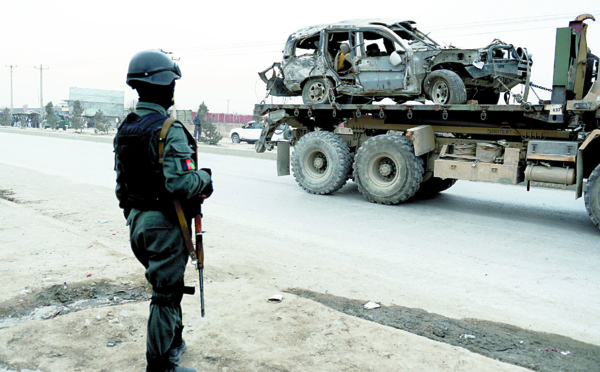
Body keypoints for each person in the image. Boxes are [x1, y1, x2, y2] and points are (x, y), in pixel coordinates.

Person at [113, 50, 213, 372]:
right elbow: (181, 184)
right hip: (165, 227)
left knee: (168, 288)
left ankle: (173, 343)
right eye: (170, 83)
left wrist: (136, 217)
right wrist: (206, 178)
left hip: (138, 225)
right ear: (160, 86)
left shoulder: (126, 129)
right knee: (165, 296)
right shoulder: (170, 130)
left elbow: (121, 188)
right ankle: (159, 366)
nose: (172, 90)